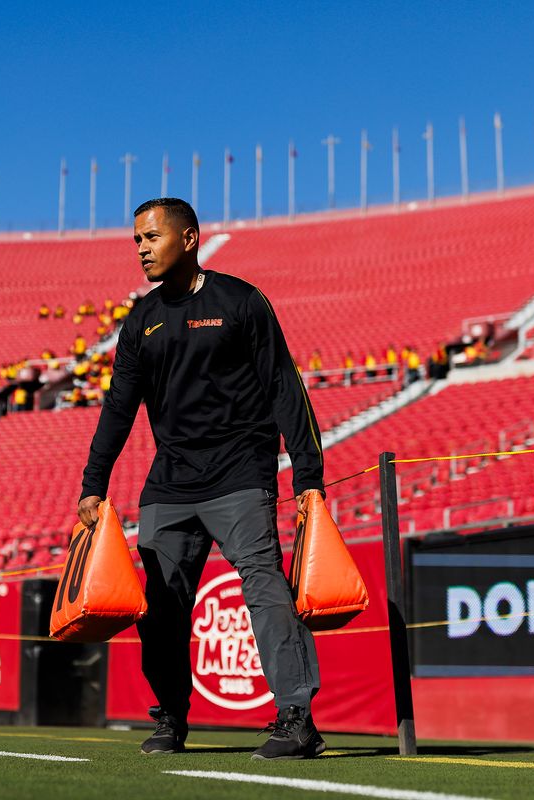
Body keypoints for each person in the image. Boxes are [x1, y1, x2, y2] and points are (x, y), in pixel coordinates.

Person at [77, 198, 326, 761]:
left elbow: (285, 386)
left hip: (241, 471)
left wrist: (308, 475)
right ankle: (170, 718)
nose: (140, 248)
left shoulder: (242, 301)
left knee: (264, 587)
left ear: (188, 239)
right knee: (159, 605)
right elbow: (119, 407)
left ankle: (296, 719)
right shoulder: (140, 321)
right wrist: (94, 484)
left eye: (151, 237)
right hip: (170, 483)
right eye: (136, 240)